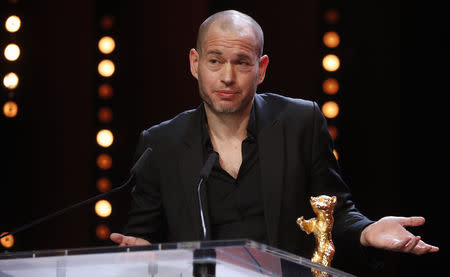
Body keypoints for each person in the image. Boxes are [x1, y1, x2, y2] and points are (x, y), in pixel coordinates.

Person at [110, 9, 438, 266]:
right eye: (215, 61)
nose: (227, 76)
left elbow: (332, 213)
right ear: (195, 64)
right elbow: (144, 238)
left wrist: (367, 231)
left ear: (262, 68)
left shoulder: (300, 123)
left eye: (241, 62)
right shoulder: (161, 144)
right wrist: (139, 250)